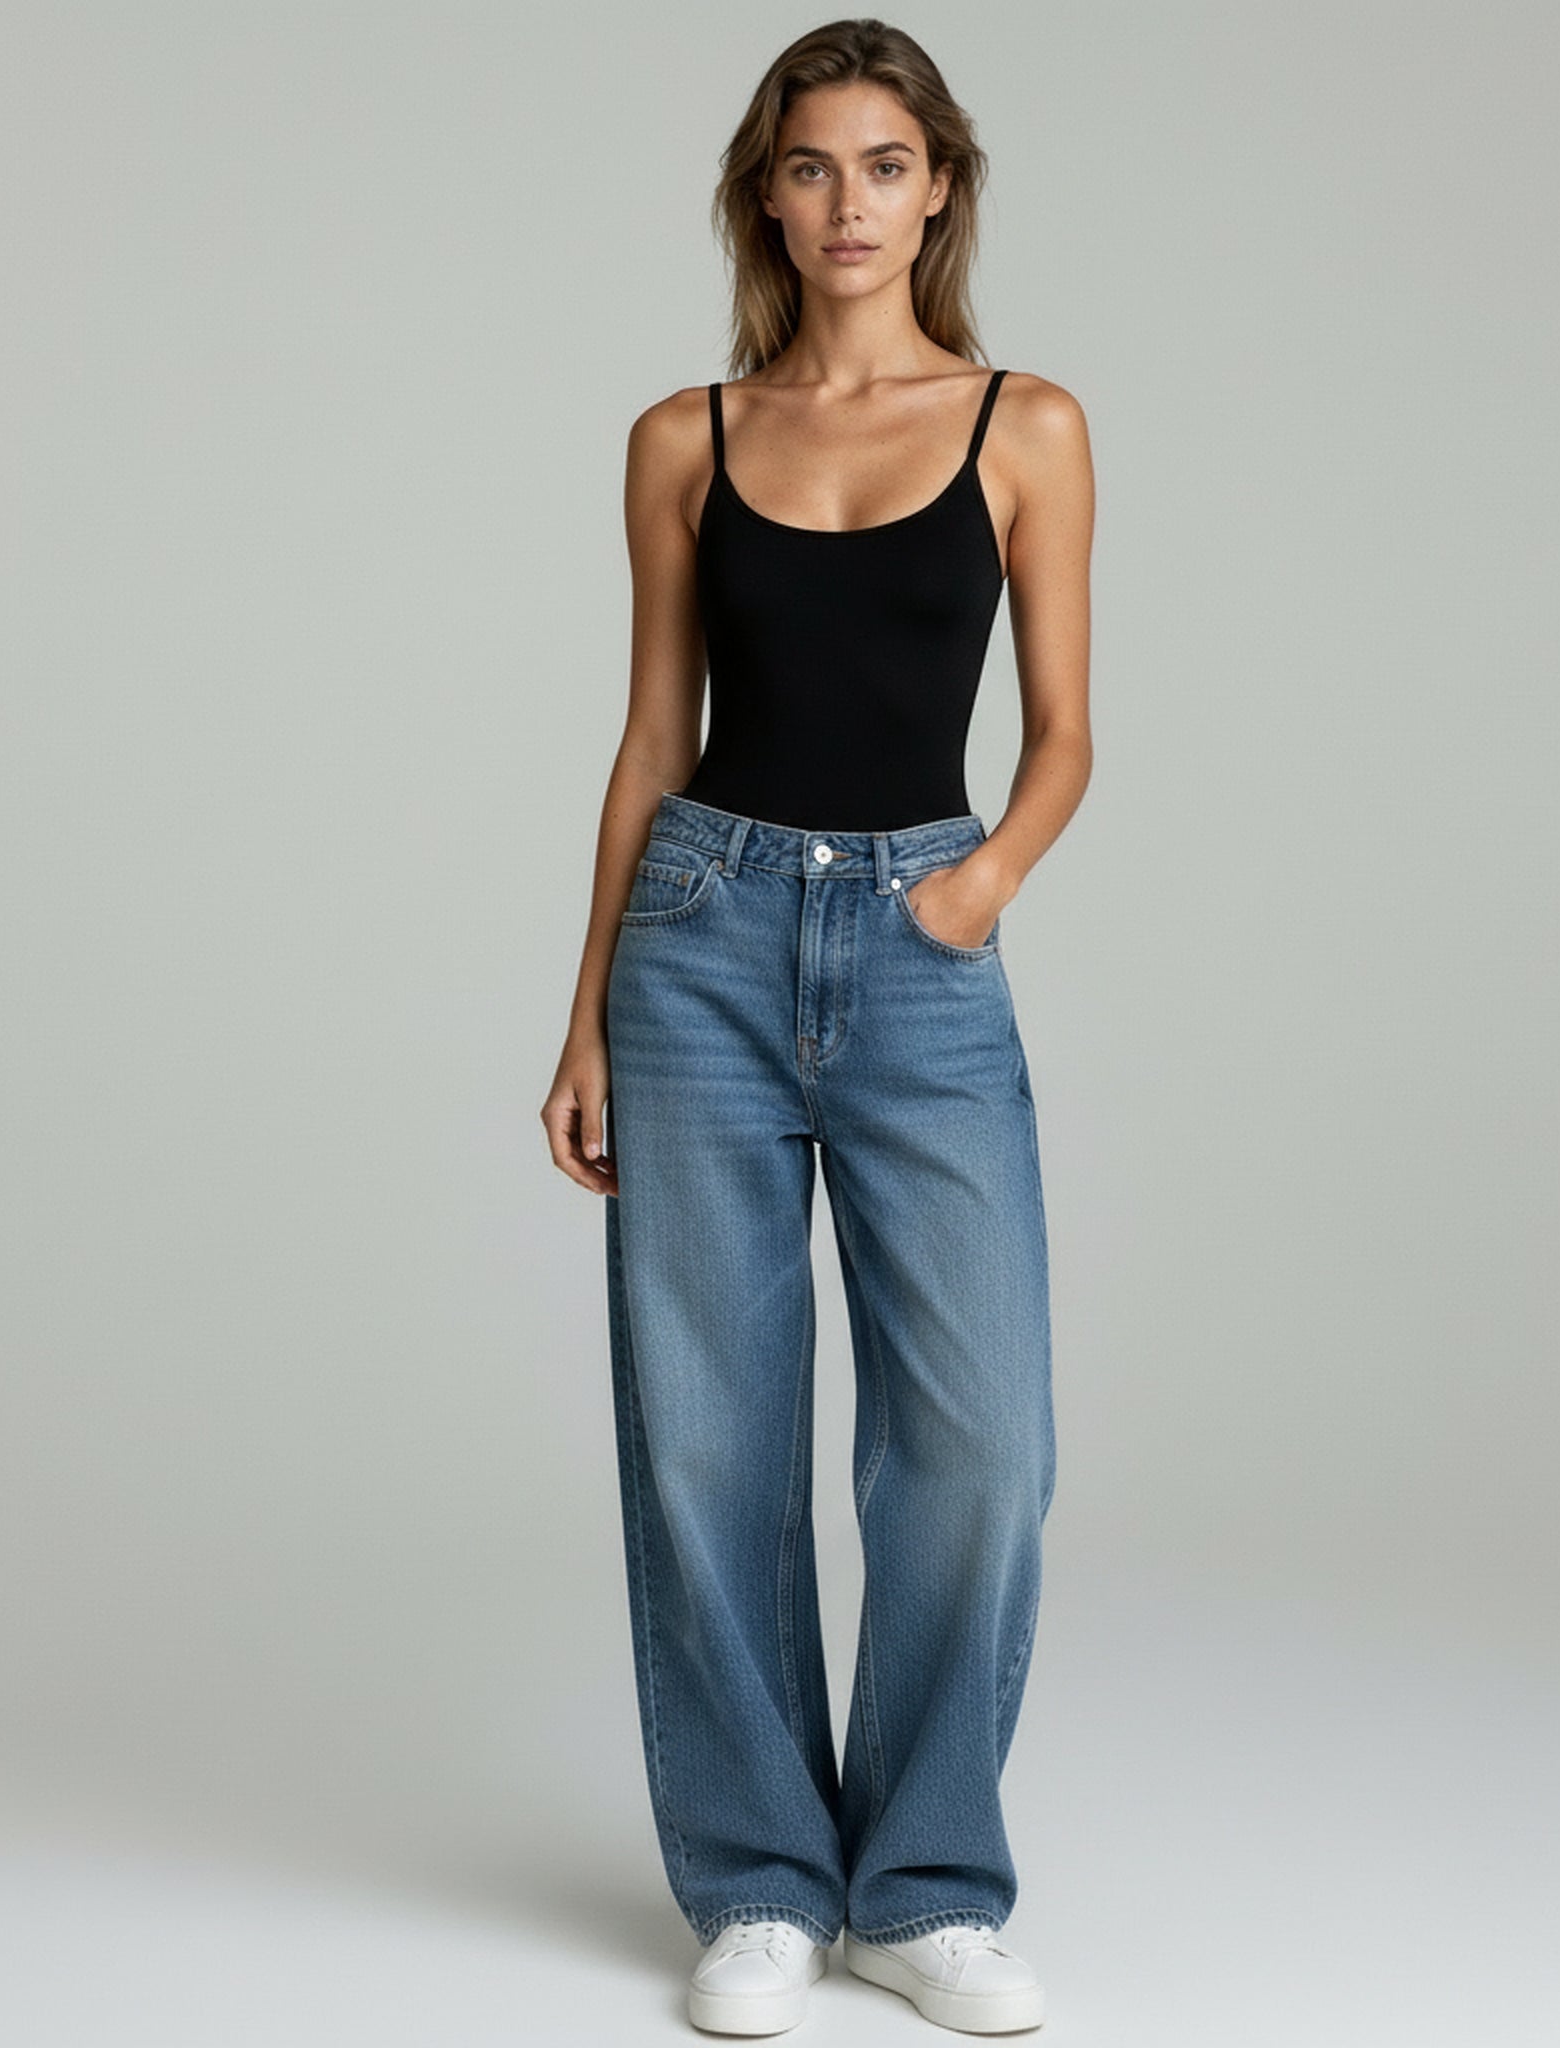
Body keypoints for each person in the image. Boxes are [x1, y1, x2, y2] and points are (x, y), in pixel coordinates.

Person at [543, 18, 1093, 2037]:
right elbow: (644, 743)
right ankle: (765, 1881)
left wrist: (974, 888)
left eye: (881, 164)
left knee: (977, 1444)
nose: (844, 203)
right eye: (806, 167)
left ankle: (926, 1879)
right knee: (708, 1439)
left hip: (923, 945)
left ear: (938, 184)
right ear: (760, 195)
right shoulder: (681, 435)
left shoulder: (1023, 421)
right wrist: (590, 1008)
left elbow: (1064, 737)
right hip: (698, 936)